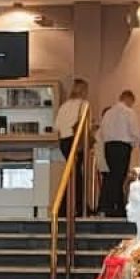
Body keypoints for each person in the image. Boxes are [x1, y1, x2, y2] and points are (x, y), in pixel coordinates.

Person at [98, 89, 140, 217]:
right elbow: (135, 132)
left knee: (112, 176)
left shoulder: (108, 112)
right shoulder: (129, 112)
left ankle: (110, 205)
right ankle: (118, 207)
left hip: (109, 146)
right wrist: (134, 144)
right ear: (129, 99)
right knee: (120, 177)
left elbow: (102, 131)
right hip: (122, 146)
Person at [54, 80, 89, 210]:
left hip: (64, 141)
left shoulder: (64, 106)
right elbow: (85, 123)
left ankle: (66, 205)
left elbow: (57, 126)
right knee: (77, 174)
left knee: (71, 172)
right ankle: (78, 205)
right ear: (84, 90)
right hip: (76, 141)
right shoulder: (84, 104)